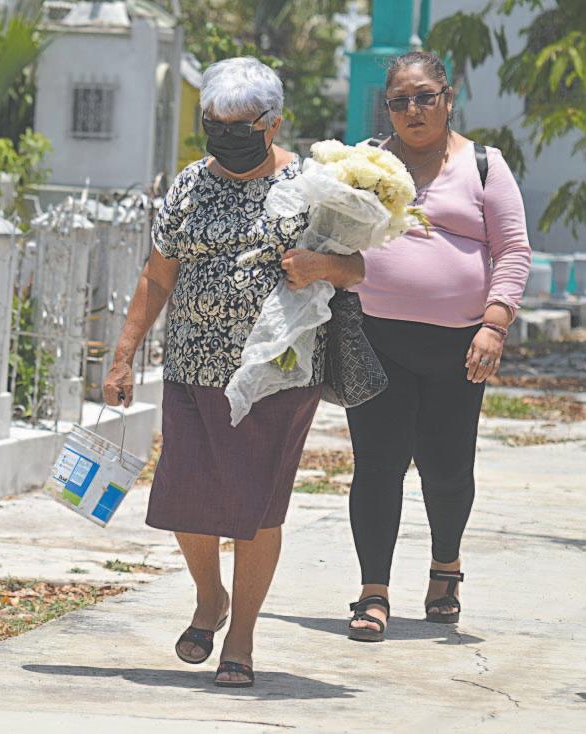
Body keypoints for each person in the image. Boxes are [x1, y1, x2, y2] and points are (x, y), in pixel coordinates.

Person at [103, 57, 364, 685]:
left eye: (238, 127)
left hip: (277, 372)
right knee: (185, 499)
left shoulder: (311, 187)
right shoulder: (190, 185)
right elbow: (157, 274)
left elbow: (355, 268)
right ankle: (209, 597)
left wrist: (318, 266)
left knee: (257, 507)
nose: (224, 137)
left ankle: (241, 636)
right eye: (213, 125)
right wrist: (122, 355)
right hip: (192, 367)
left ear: (272, 124)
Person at [283, 51, 531, 642]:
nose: (413, 110)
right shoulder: (364, 164)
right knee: (377, 465)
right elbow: (326, 235)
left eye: (424, 97)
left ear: (448, 98)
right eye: (400, 101)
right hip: (376, 338)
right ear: (388, 108)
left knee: (447, 470)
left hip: (460, 347)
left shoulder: (485, 166)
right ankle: (374, 591)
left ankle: (446, 566)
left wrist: (494, 325)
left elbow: (513, 250)